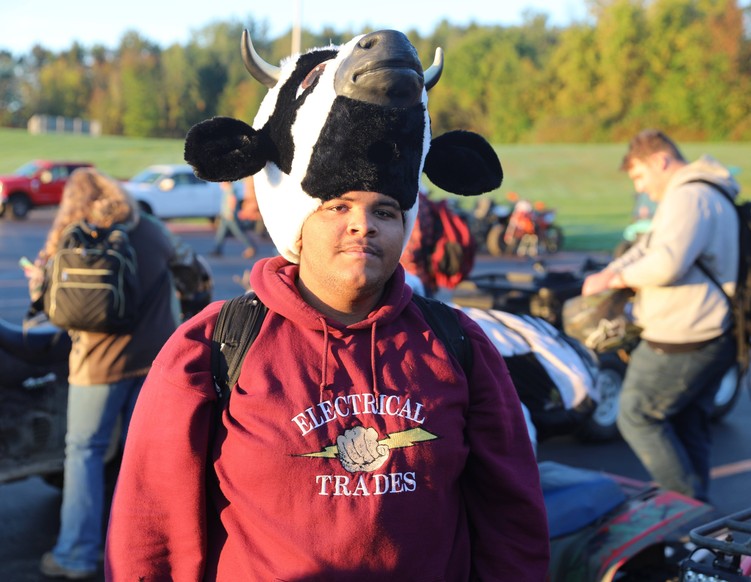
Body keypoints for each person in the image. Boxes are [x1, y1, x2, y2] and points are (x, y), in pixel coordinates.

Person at [106, 29, 548, 580]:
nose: (363, 223)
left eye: (386, 211)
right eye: (337, 206)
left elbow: (512, 519)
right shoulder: (213, 347)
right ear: (299, 218)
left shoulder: (458, 345)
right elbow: (151, 532)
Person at [22, 168, 180, 579]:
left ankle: (76, 554)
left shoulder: (73, 235)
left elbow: (46, 299)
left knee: (84, 454)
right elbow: (190, 268)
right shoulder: (149, 228)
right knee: (144, 459)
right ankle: (151, 554)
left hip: (96, 365)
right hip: (153, 361)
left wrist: (37, 282)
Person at [581, 129, 740, 501]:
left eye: (639, 176)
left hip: (686, 334)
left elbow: (666, 264)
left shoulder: (689, 196)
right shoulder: (702, 191)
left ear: (660, 161)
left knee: (637, 414)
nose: (642, 188)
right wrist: (611, 272)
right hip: (715, 331)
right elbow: (649, 247)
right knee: (688, 424)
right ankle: (700, 529)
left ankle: (686, 517)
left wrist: (616, 277)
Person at [400, 185, 442, 297]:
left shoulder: (414, 203)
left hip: (414, 274)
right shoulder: (426, 203)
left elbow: (415, 242)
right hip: (425, 271)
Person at [211, 180, 257, 258]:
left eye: (221, 183)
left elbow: (232, 201)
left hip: (230, 217)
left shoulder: (230, 190)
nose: (220, 185)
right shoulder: (228, 190)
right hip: (225, 216)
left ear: (226, 183)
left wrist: (231, 213)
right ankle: (217, 250)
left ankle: (251, 247)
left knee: (239, 233)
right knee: (220, 234)